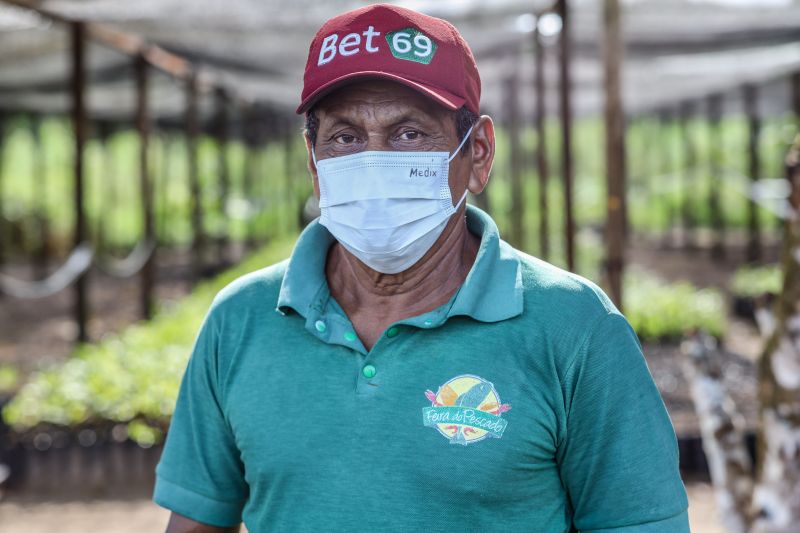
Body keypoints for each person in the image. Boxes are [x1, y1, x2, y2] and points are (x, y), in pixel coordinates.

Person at [153, 4, 690, 532]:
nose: (374, 161)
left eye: (410, 133)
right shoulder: (241, 319)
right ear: (314, 162)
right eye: (344, 137)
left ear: (477, 153)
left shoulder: (574, 328)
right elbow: (198, 520)